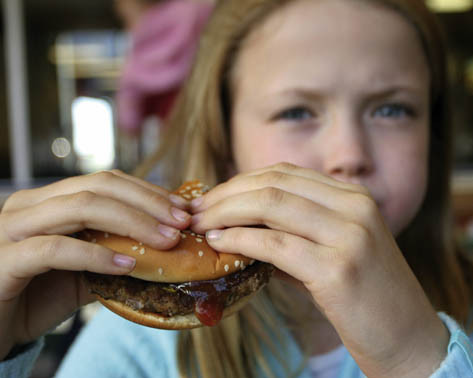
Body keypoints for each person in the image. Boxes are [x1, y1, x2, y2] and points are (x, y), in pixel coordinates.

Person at [1, 0, 473, 377]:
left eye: (392, 110)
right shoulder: (139, 351)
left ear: (433, 134)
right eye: (295, 112)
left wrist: (418, 361)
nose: (349, 154)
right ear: (226, 144)